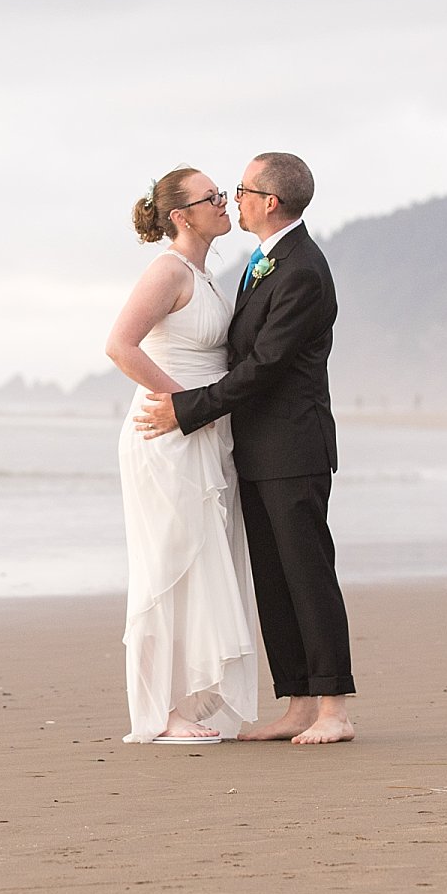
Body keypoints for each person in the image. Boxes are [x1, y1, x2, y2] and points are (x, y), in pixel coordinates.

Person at [133, 152, 356, 745]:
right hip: (253, 448)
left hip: (293, 447)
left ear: (269, 201)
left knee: (307, 574)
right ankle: (300, 705)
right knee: (274, 579)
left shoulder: (303, 268)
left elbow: (264, 367)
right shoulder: (261, 262)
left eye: (241, 189)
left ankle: (334, 708)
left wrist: (187, 409)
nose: (234, 199)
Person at [105, 168, 261, 743]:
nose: (225, 204)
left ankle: (189, 701)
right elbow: (119, 344)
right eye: (212, 198)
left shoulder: (207, 274)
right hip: (163, 435)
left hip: (204, 433)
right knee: (166, 565)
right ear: (181, 215)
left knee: (200, 562)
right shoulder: (168, 269)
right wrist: (182, 405)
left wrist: (203, 414)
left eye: (224, 195)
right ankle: (157, 712)